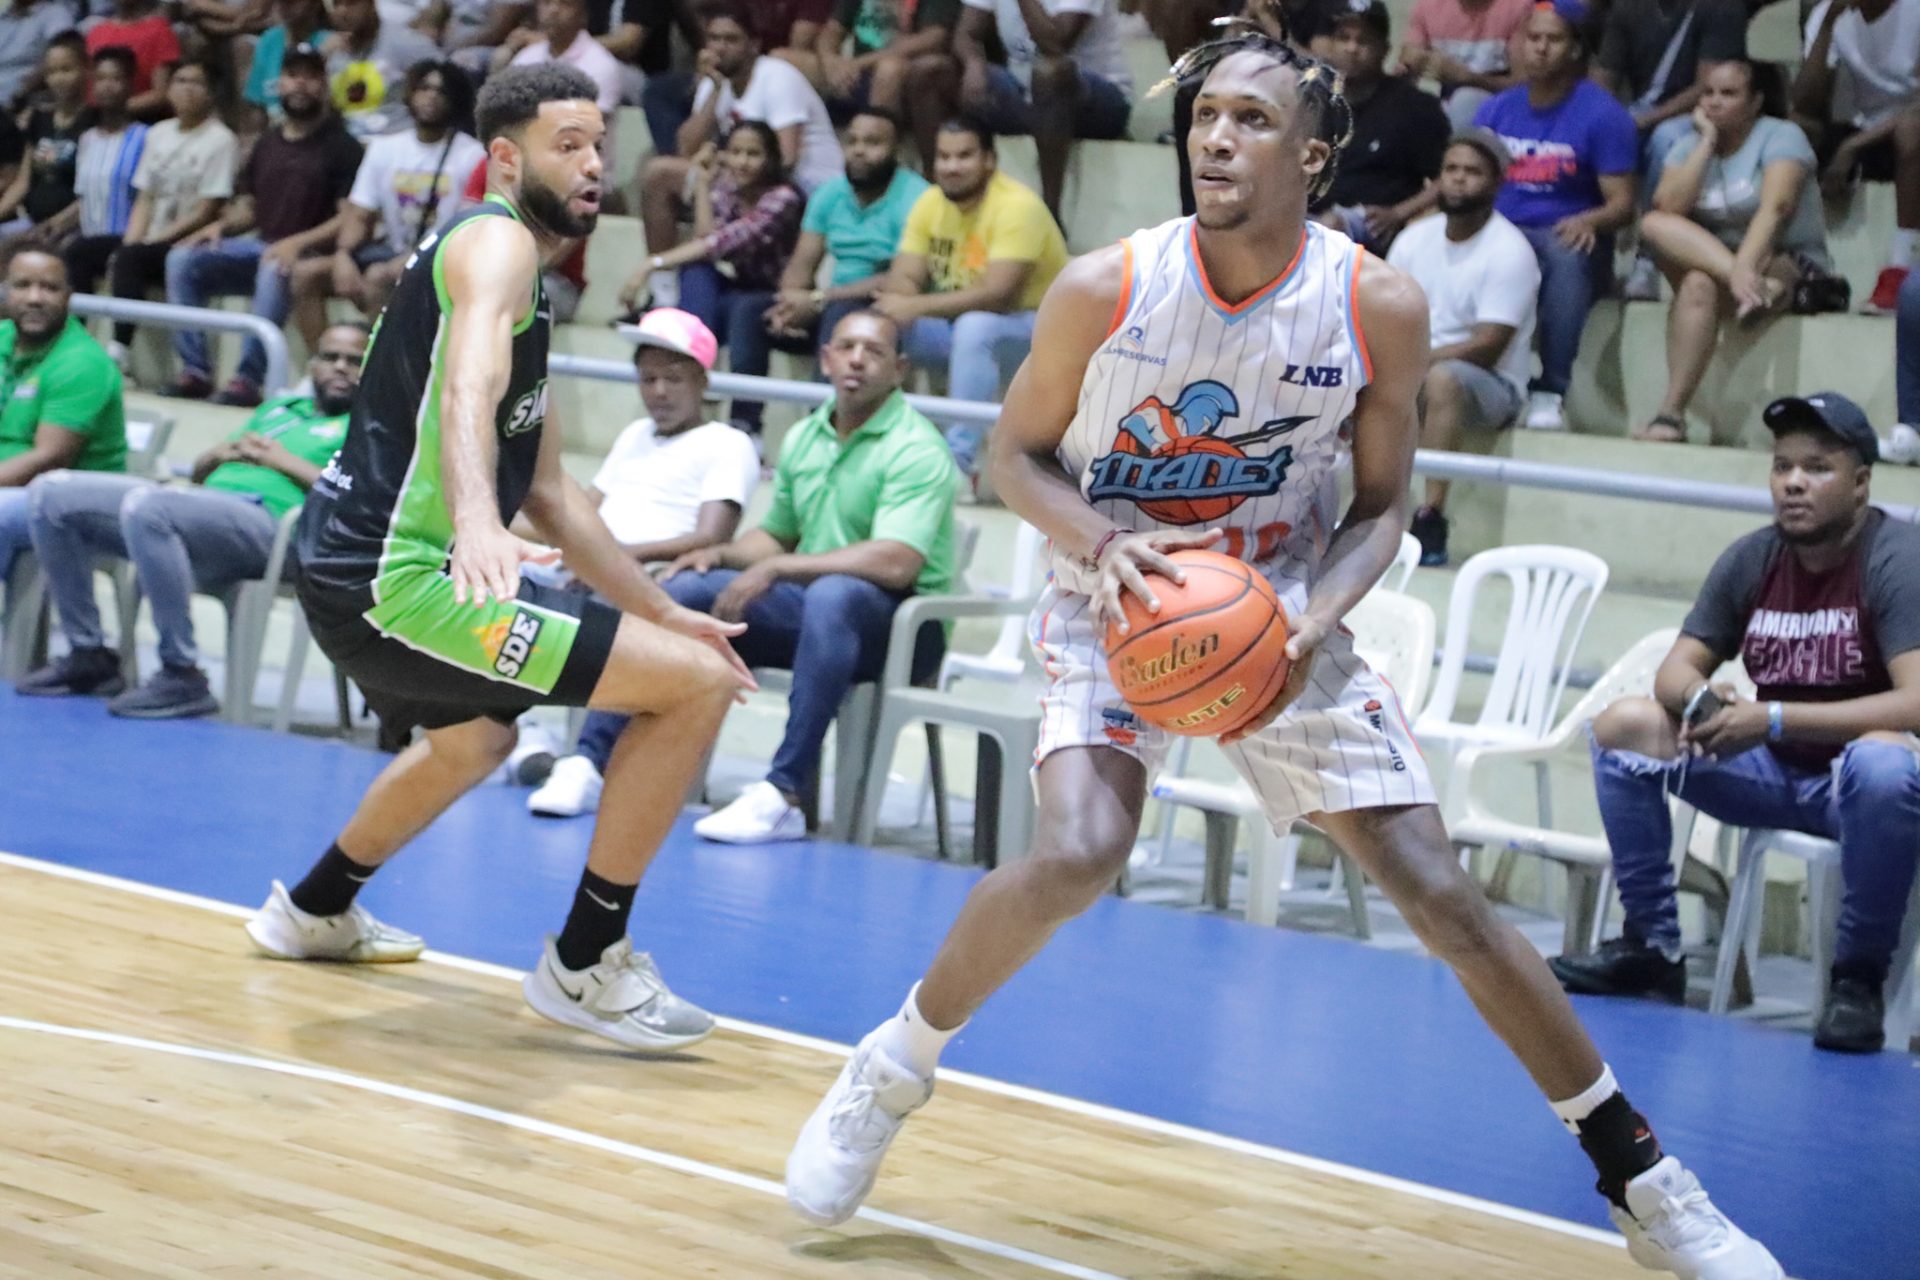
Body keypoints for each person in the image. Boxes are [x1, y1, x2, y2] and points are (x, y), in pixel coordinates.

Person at [781, 31, 1786, 1280]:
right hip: (1117, 598)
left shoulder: (1376, 304)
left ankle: (1643, 1177)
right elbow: (1014, 459)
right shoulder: (1105, 286)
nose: (1216, 137)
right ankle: (892, 1066)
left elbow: (1384, 504)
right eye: (1205, 115)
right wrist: (1107, 542)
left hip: (1280, 610)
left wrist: (1321, 609)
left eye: (1252, 120)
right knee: (1080, 848)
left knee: (1444, 896)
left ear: (1313, 156)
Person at [244, 65, 754, 1055]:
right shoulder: (497, 244)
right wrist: (478, 519)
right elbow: (470, 383)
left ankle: (312, 909)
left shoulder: (527, 286)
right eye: (569, 145)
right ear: (508, 160)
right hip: (397, 579)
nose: (595, 163)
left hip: (359, 570)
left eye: (599, 143)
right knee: (696, 688)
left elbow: (553, 494)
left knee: (474, 741)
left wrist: (662, 609)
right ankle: (586, 962)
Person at [1552, 393, 1920, 1056]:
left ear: (1862, 482)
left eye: (1817, 468)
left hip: (1858, 792)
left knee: (1883, 765)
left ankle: (1857, 980)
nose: (1794, 483)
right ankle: (1653, 947)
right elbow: (1674, 671)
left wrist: (1772, 718)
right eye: (1782, 467)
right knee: (1625, 725)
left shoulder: (1895, 558)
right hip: (1771, 775)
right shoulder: (1755, 557)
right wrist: (1701, 702)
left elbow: (1915, 702)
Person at [551, 310, 956, 840]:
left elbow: (897, 561)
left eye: (874, 351)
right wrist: (718, 556)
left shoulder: (916, 447)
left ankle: (783, 794)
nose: (857, 360)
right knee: (682, 590)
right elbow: (777, 535)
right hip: (819, 615)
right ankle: (588, 762)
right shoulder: (807, 436)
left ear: (899, 369)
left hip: (904, 629)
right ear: (826, 359)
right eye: (846, 348)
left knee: (834, 595)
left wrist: (778, 566)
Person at [17, 324, 370, 716]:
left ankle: (181, 671)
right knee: (52, 494)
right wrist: (220, 454)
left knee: (150, 507)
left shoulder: (370, 426)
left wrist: (279, 460)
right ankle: (89, 653)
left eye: (354, 361)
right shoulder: (279, 411)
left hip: (273, 528)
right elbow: (201, 474)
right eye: (330, 357)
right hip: (209, 508)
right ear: (313, 365)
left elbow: (358, 498)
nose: (341, 367)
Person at [528, 307, 761, 814]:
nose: (659, 391)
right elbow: (586, 511)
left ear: (703, 381)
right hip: (592, 567)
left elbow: (710, 537)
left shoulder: (728, 443)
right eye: (648, 378)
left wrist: (607, 563)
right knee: (495, 573)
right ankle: (512, 732)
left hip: (646, 580)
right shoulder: (634, 435)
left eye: (673, 379)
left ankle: (584, 764)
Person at [1635, 62, 1829, 443]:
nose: (1714, 102)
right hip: (1727, 269)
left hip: (1786, 257)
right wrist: (1707, 143)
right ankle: (1671, 417)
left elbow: (1776, 209)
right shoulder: (1689, 144)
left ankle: (1762, 287)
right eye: (1708, 93)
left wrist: (1745, 266)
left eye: (1728, 94)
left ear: (1755, 101)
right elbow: (1667, 207)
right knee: (1662, 236)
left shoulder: (1782, 136)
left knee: (1773, 269)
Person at [162, 45, 363, 407]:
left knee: (274, 264)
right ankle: (195, 371)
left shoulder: (342, 145)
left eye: (310, 76)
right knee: (182, 258)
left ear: (323, 85)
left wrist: (296, 243)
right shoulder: (268, 142)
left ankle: (247, 380)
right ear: (279, 84)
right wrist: (220, 228)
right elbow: (252, 210)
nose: (300, 84)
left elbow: (347, 217)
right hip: (261, 245)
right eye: (292, 75)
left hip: (312, 254)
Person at [1472, 0, 1636, 432]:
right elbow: (1469, 177)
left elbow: (1623, 204)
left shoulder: (1604, 115)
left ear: (1576, 49)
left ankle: (1551, 390)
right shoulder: (1496, 109)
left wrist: (1590, 220)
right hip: (1498, 230)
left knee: (1565, 257)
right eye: (1533, 38)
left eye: (1554, 39)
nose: (1541, 48)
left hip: (1563, 233)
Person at [878, 116, 1068, 478]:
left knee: (975, 327)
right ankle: (882, 448)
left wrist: (913, 304)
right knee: (881, 328)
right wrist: (900, 303)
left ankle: (959, 464)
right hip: (960, 326)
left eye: (964, 156)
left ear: (989, 160)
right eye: (943, 157)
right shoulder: (929, 202)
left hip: (1038, 333)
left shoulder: (1017, 206)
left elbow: (999, 294)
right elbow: (905, 274)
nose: (951, 167)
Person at [1393, 129, 1539, 567]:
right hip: (1415, 367)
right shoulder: (1414, 238)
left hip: (1493, 386)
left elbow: (1488, 345)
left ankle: (1430, 516)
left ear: (1496, 183)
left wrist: (1411, 363)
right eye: (1451, 169)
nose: (1458, 179)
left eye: (1472, 172)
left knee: (1442, 380)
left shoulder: (1510, 250)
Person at [637, 1, 842, 304]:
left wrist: (719, 161)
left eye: (730, 39)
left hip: (806, 190)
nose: (720, 48)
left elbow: (785, 160)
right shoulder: (716, 81)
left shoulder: (778, 78)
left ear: (753, 45)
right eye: (714, 39)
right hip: (748, 183)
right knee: (659, 174)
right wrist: (714, 91)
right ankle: (662, 294)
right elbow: (685, 148)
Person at [621, 120, 803, 435]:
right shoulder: (729, 187)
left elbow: (720, 243)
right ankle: (691, 361)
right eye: (735, 152)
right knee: (696, 273)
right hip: (737, 286)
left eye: (753, 154)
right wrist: (703, 183)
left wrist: (652, 263)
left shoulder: (782, 198)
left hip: (771, 294)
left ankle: (746, 425)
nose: (742, 162)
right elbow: (706, 236)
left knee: (745, 312)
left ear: (770, 159)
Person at [306, 59, 483, 338]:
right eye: (424, 88)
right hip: (391, 250)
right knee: (306, 274)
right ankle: (327, 357)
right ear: (410, 94)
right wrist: (343, 255)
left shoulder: (473, 155)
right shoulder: (384, 148)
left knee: (380, 277)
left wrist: (417, 258)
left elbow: (468, 229)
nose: (431, 97)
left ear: (456, 100)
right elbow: (360, 212)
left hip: (445, 258)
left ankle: (375, 362)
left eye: (442, 91)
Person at [1593, 0, 1747, 302]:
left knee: (1665, 137)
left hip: (1697, 114)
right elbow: (1603, 81)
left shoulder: (1721, 7)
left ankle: (1648, 260)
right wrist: (1601, 119)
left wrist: (1646, 120)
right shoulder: (1628, 8)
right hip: (1637, 112)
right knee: (1591, 132)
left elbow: (1708, 86)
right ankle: (1597, 263)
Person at [0, 249, 126, 587]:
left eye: (49, 288)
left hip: (70, 502)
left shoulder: (81, 362)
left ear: (69, 296)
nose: (35, 298)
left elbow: (50, 458)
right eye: (22, 285)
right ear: (6, 292)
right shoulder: (2, 339)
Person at [105, 60, 238, 368]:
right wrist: (131, 241)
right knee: (81, 251)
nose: (187, 89)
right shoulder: (158, 133)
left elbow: (206, 211)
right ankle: (73, 338)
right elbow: (145, 198)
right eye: (180, 81)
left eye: (196, 83)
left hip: (188, 241)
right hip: (151, 237)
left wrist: (149, 244)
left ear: (211, 93)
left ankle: (119, 350)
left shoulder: (221, 139)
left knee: (131, 259)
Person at [764, 105, 928, 355]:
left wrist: (820, 299)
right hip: (832, 300)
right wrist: (789, 304)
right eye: (852, 141)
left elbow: (898, 278)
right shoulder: (829, 193)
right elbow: (800, 266)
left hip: (887, 304)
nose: (859, 151)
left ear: (898, 150)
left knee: (842, 315)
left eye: (872, 142)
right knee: (752, 313)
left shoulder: (919, 198)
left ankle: (830, 381)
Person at [953, 0, 1132, 226]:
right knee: (940, 71)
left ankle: (1049, 215)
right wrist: (973, 64)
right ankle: (945, 204)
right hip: (1024, 92)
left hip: (1097, 98)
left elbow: (1054, 45)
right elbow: (966, 33)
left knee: (1050, 74)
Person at [1793, 0, 1920, 314]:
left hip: (1910, 127)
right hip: (1870, 129)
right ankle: (1801, 260)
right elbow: (1805, 102)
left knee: (1910, 129)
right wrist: (1826, 26)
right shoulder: (1829, 13)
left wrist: (1851, 147)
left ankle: (1900, 267)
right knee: (1795, 129)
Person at [1315, 0, 1447, 252]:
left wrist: (1399, 212)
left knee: (1329, 228)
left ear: (1384, 50)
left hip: (1374, 224)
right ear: (1330, 46)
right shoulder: (1314, 101)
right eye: (1343, 38)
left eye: (1363, 41)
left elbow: (1446, 178)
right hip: (1311, 215)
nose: (1352, 48)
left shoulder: (1415, 106)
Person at [804, 0, 960, 165]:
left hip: (901, 73)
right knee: (788, 59)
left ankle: (874, 158)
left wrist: (858, 64)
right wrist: (831, 63)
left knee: (889, 69)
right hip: (855, 70)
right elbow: (832, 30)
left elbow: (933, 38)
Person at [64, 46, 147, 294]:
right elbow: (84, 199)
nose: (106, 86)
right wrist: (54, 225)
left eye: (116, 78)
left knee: (76, 252)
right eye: (100, 79)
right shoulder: (87, 139)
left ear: (130, 85)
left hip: (127, 239)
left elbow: (147, 199)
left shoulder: (145, 137)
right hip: (89, 236)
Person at [0, 35, 95, 248]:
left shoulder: (93, 122)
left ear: (86, 70)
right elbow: (23, 183)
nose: (58, 78)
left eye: (66, 70)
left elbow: (91, 194)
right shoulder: (39, 120)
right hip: (32, 222)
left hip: (73, 226)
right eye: (52, 72)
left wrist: (55, 224)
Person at [1400, 0, 1532, 130]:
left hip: (1502, 107)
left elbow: (1525, 85)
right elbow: (1407, 60)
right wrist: (1412, 62)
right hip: (1448, 105)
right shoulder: (1427, 6)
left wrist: (1469, 78)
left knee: (1465, 100)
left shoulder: (1518, 7)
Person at [324, 0, 441, 140]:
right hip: (349, 143)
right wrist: (323, 58)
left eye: (352, 3)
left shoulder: (405, 42)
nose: (343, 11)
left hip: (396, 139)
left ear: (371, 5)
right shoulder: (331, 51)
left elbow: (448, 81)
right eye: (337, 4)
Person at [494, 0, 622, 113]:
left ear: (583, 15)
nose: (553, 10)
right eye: (546, 2)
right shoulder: (527, 57)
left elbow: (591, 126)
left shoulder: (601, 65)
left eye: (565, 3)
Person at [84, 0, 181, 121]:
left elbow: (161, 94)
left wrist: (115, 109)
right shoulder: (96, 32)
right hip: (97, 121)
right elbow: (88, 88)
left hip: (145, 121)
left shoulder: (160, 31)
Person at [244, 0, 327, 121]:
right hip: (275, 128)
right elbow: (256, 104)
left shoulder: (331, 42)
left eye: (292, 2)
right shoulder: (269, 40)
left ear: (315, 4)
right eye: (280, 2)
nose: (284, 6)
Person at [0, 0, 80, 111]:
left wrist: (21, 92)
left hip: (20, 100)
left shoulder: (54, 14)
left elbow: (65, 56)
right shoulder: (3, 16)